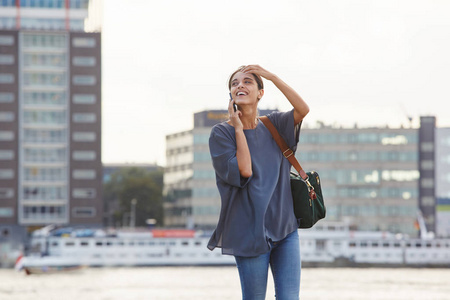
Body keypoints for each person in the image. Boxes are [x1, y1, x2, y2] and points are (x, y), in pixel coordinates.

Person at [207, 65, 310, 300]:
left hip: (285, 229)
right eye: (234, 83)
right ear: (231, 95)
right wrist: (238, 128)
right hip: (248, 233)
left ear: (260, 92)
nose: (240, 85)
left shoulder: (275, 125)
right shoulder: (221, 134)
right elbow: (245, 169)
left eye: (247, 81)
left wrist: (272, 77)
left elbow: (303, 109)